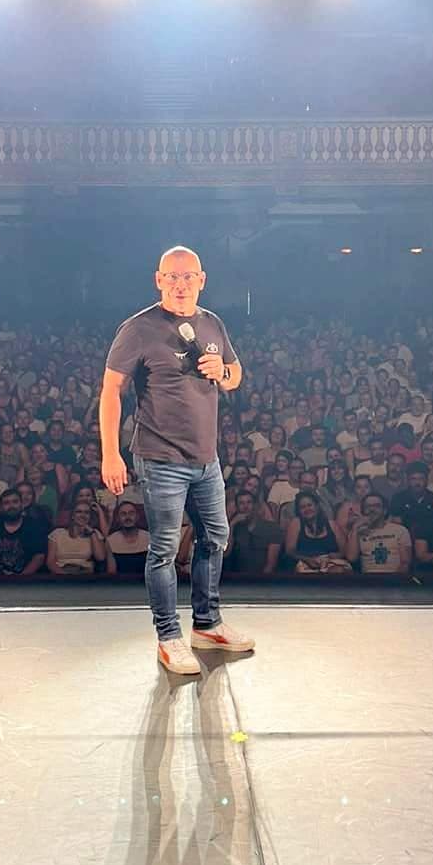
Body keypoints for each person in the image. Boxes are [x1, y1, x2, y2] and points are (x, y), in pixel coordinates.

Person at [100, 245, 253, 675]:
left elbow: (235, 375)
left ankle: (207, 625)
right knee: (165, 549)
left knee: (214, 539)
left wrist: (220, 372)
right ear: (159, 280)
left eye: (189, 277)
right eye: (172, 277)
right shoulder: (139, 328)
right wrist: (110, 453)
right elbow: (111, 391)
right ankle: (169, 636)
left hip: (207, 457)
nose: (181, 284)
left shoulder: (212, 323)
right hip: (160, 455)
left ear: (202, 280)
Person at [0, 488, 48, 577]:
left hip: (27, 583)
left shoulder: (34, 527)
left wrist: (19, 581)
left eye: (15, 502)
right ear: (0, 507)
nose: (11, 506)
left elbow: (39, 557)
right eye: (6, 503)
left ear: (21, 504)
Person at [283, 489, 351, 572]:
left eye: (309, 505)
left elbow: (345, 550)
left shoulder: (332, 524)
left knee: (338, 571)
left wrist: (333, 556)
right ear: (299, 511)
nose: (307, 509)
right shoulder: (296, 523)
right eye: (302, 507)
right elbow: (289, 551)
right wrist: (308, 559)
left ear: (317, 506)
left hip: (331, 563)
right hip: (305, 564)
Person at [347, 492, 412, 577]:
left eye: (376, 506)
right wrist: (355, 529)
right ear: (363, 511)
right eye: (368, 506)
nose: (372, 509)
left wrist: (395, 581)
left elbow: (405, 563)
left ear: (384, 511)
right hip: (368, 581)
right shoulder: (357, 532)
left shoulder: (400, 530)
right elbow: (351, 558)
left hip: (394, 579)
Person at [47, 500, 108, 575]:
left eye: (86, 512)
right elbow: (50, 562)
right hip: (62, 573)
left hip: (85, 574)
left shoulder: (95, 533)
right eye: (79, 512)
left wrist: (92, 533)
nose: (83, 515)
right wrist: (66, 577)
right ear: (72, 515)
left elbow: (100, 557)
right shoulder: (57, 533)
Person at [106, 500, 151, 575]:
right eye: (123, 514)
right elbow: (111, 573)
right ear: (118, 518)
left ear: (137, 517)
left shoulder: (149, 538)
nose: (128, 517)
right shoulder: (111, 541)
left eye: (131, 513)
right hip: (121, 584)